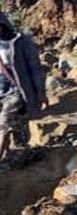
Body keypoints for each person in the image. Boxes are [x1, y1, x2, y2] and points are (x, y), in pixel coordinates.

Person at [0, 13, 47, 160]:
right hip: (1, 89)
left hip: (18, 89)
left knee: (4, 123)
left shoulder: (20, 41)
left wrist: (40, 92)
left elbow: (35, 68)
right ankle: (19, 153)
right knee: (18, 125)